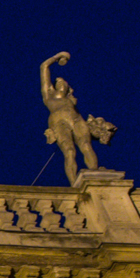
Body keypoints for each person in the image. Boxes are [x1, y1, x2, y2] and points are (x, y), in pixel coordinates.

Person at [39, 51, 112, 185]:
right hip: (59, 122)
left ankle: (95, 173)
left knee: (86, 145)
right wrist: (58, 56)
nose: (61, 83)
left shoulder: (70, 100)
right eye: (58, 82)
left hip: (76, 119)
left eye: (63, 82)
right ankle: (74, 184)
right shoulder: (49, 95)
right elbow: (44, 67)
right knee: (70, 151)